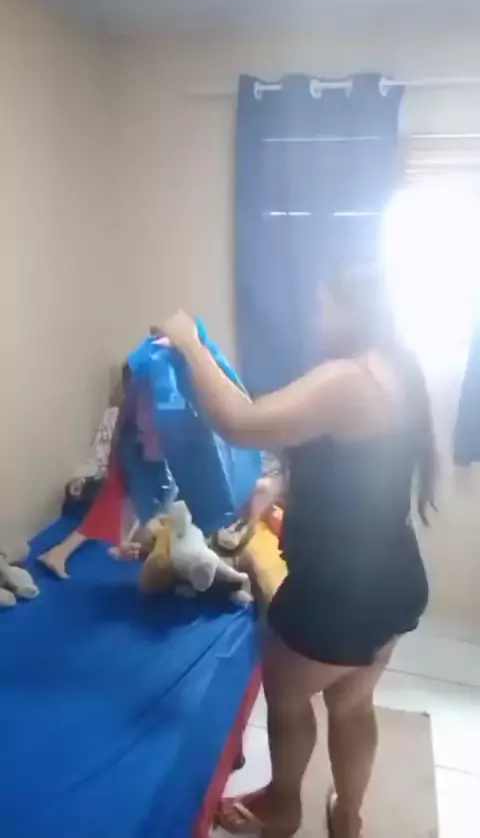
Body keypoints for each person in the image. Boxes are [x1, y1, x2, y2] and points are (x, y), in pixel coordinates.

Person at [159, 260, 435, 838]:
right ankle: (348, 816)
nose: (315, 317)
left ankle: (284, 806)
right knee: (352, 704)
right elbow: (358, 465)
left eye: (321, 305)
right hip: (392, 579)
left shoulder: (347, 379)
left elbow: (241, 421)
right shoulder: (397, 369)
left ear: (350, 309)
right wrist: (278, 484)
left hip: (339, 594)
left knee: (286, 697)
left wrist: (189, 343)